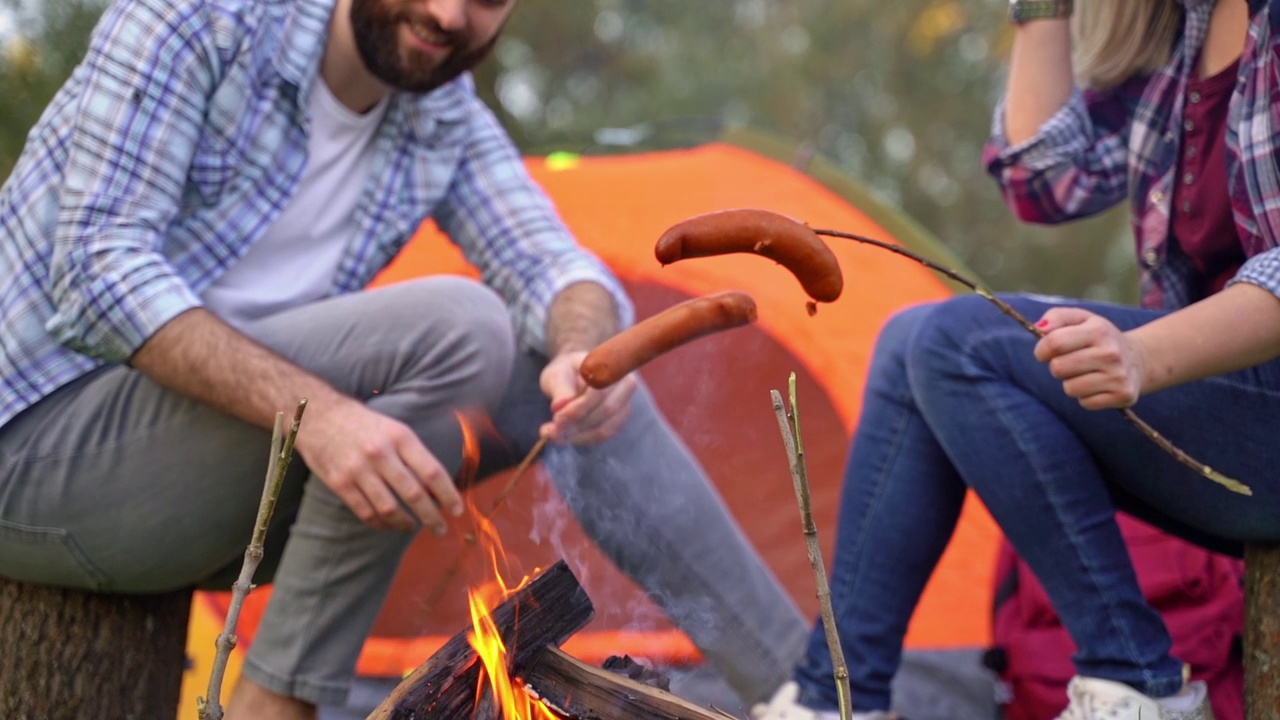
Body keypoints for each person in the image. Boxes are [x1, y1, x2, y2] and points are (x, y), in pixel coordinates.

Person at [0, 0, 811, 717]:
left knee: (567, 373)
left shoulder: (440, 117)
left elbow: (557, 269)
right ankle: (274, 701)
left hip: (207, 484)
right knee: (461, 325)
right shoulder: (198, 20)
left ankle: (806, 701)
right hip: (36, 452)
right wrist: (318, 416)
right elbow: (94, 269)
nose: (451, 15)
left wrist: (580, 350)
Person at [751, 0, 1280, 718]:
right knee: (912, 339)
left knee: (955, 344)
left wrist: (1145, 354)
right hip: (1231, 415)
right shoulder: (1185, 24)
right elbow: (1041, 178)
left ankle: (1137, 685)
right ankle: (833, 699)